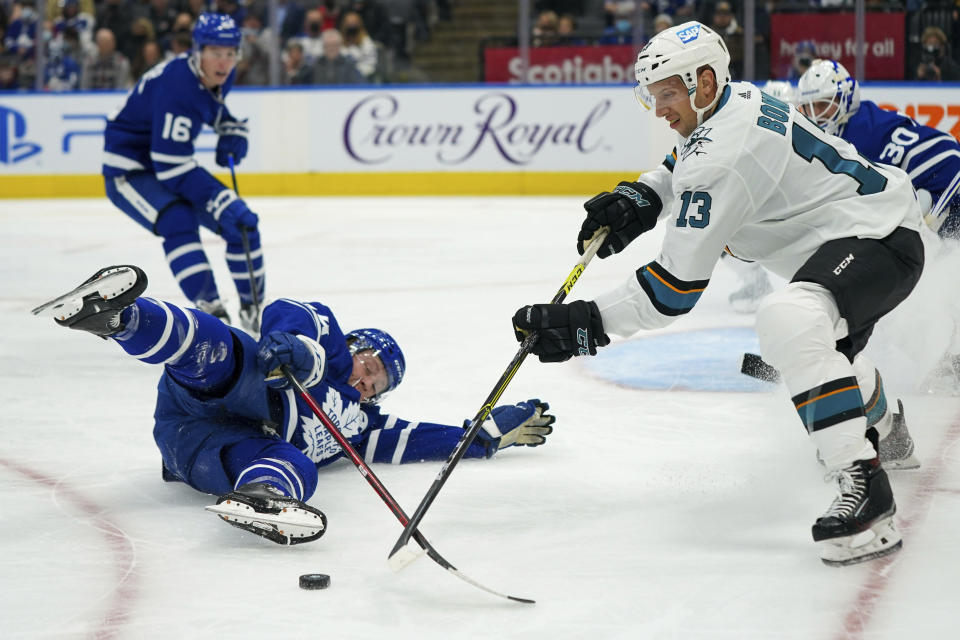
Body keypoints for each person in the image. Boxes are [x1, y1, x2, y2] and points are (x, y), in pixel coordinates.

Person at [511, 22, 924, 567]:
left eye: (667, 94)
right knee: (812, 351)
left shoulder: (722, 158)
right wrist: (641, 196)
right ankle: (888, 433)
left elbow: (671, 292)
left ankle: (864, 485)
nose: (658, 109)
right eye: (652, 95)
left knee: (789, 320)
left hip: (877, 238)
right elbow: (683, 159)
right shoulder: (737, 100)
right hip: (867, 229)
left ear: (704, 82)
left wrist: (585, 323)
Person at [33, 265, 557, 545]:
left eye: (379, 384)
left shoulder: (360, 424)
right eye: (370, 365)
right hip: (225, 389)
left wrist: (484, 436)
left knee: (296, 465)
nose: (368, 381)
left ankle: (257, 497)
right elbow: (295, 310)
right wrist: (298, 349)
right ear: (354, 347)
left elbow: (422, 438)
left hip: (200, 447)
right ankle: (119, 319)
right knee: (222, 348)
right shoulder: (325, 350)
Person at [102, 13, 264, 332]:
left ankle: (253, 312)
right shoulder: (177, 87)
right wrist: (220, 200)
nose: (224, 62)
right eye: (216, 53)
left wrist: (231, 128)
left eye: (231, 53)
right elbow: (171, 166)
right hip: (131, 170)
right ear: (197, 51)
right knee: (178, 220)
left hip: (164, 160)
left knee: (243, 225)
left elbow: (211, 107)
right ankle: (212, 312)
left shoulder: (217, 75)